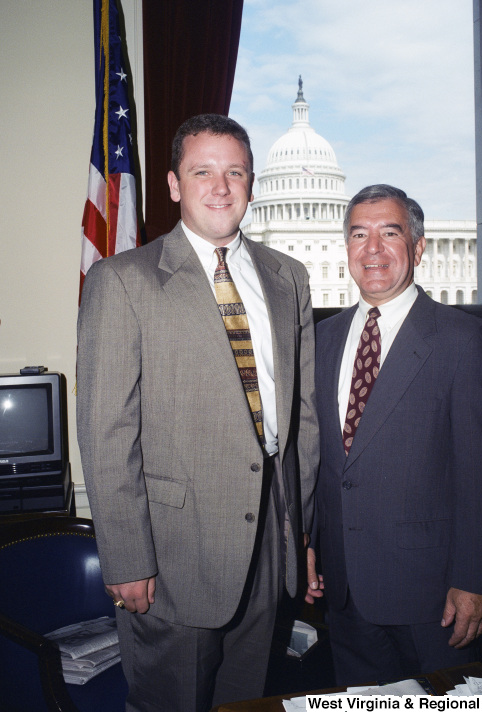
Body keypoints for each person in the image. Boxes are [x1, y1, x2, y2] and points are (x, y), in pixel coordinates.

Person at [77, 114, 319, 711]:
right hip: (173, 556)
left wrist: (301, 534)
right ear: (173, 184)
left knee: (248, 701)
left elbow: (303, 419)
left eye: (234, 171)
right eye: (202, 171)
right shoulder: (122, 281)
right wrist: (129, 558)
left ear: (252, 184)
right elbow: (107, 433)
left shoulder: (288, 278)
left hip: (270, 544)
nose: (221, 185)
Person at [306, 184, 482, 684]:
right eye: (358, 234)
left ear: (418, 248)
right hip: (345, 588)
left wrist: (476, 581)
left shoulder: (464, 340)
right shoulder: (320, 340)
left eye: (389, 233)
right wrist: (309, 541)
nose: (371, 249)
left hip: (433, 596)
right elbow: (317, 457)